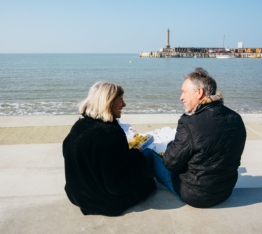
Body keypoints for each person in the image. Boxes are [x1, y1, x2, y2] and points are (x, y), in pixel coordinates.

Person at [155, 67, 246, 208]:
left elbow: (170, 163)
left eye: (184, 92)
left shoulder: (189, 123)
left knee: (150, 157)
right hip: (226, 190)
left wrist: (170, 145)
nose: (181, 98)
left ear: (199, 92)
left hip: (197, 196)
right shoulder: (236, 118)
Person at [63, 81, 156, 216]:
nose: (124, 105)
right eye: (121, 100)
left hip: (76, 195)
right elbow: (117, 186)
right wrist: (137, 157)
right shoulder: (111, 134)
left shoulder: (79, 125)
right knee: (148, 175)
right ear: (109, 102)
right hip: (103, 203)